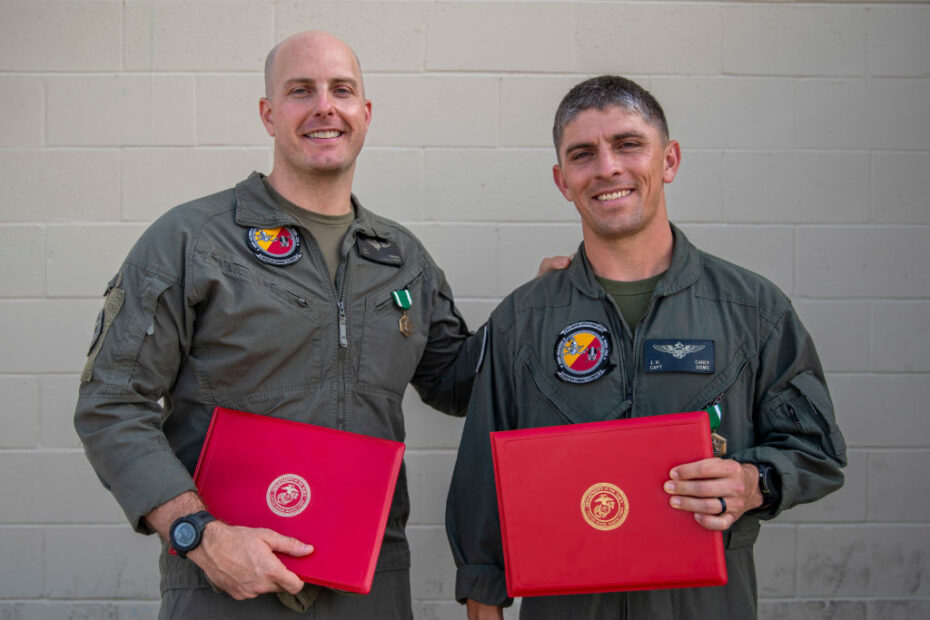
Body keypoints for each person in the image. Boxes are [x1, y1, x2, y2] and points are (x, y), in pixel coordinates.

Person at [74, 31, 564, 619]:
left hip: (370, 585)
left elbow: (457, 382)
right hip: (229, 585)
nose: (324, 106)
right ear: (269, 114)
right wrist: (200, 536)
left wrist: (537, 309)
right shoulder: (192, 241)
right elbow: (110, 401)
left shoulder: (402, 258)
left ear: (366, 113)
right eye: (301, 91)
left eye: (342, 90)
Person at [445, 75, 847, 619]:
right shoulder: (524, 319)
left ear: (669, 160)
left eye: (629, 145)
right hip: (568, 604)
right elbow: (481, 480)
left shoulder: (753, 310)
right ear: (563, 181)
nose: (608, 167)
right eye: (584, 154)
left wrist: (753, 482)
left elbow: (816, 450)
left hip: (705, 605)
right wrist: (482, 604)